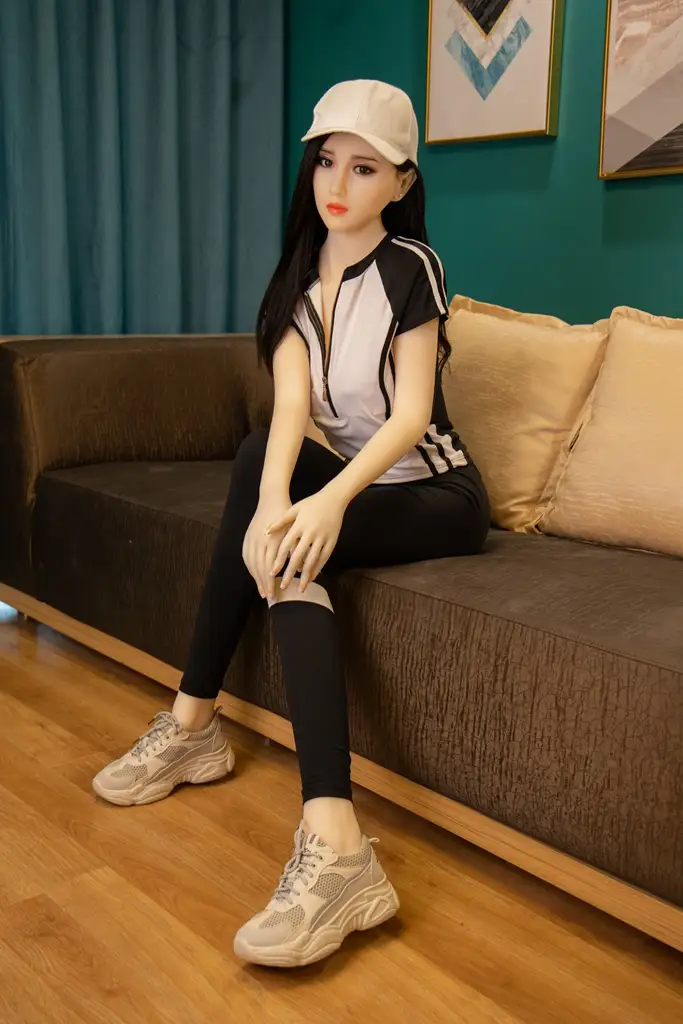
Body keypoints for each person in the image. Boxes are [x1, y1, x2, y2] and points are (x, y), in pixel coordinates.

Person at [92, 79, 490, 968]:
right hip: (349, 485)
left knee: (300, 539)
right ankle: (202, 735)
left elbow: (409, 416)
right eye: (325, 162)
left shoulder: (410, 266)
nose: (336, 184)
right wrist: (275, 505)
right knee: (261, 486)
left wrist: (326, 500)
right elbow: (289, 413)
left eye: (364, 168)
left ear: (401, 181)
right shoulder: (295, 285)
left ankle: (321, 835)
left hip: (436, 496)